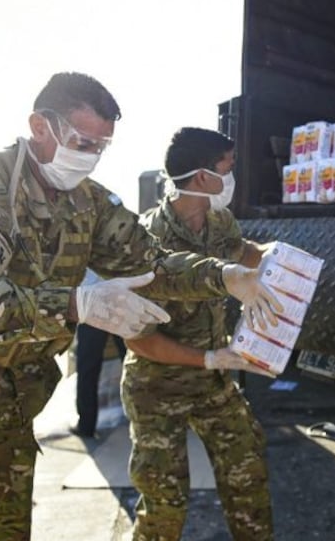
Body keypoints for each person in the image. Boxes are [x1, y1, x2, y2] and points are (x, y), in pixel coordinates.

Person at [0, 72, 281, 541]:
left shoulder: (88, 204)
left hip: (11, 406)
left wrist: (227, 277)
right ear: (40, 125)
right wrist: (75, 303)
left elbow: (151, 262)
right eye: (82, 141)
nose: (89, 156)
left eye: (100, 146)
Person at [121, 127, 274, 541]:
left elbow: (242, 252)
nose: (232, 176)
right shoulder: (146, 240)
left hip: (213, 386)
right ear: (205, 177)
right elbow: (138, 340)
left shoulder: (220, 220)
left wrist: (271, 260)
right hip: (158, 387)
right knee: (164, 504)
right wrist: (208, 358)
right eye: (228, 166)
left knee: (248, 476)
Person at [71, 268, 128, 439]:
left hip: (92, 301)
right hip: (118, 299)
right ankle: (146, 419)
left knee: (88, 367)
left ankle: (86, 426)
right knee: (134, 361)